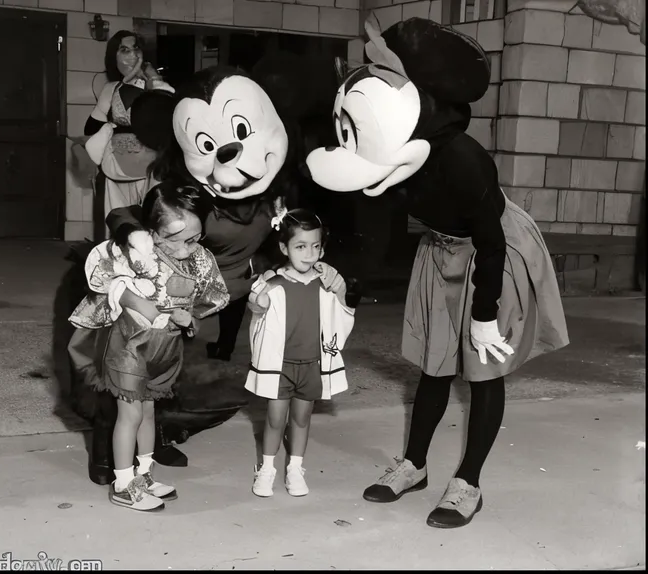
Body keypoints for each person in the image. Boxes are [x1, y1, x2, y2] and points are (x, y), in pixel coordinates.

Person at [306, 16, 569, 528]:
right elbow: (372, 224)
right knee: (433, 365)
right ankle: (415, 466)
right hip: (442, 248)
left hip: (492, 251)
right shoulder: (382, 147)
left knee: (483, 368)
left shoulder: (465, 162)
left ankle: (468, 481)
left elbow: (491, 245)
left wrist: (485, 315)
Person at [69, 181, 229, 511]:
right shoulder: (135, 255)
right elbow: (106, 282)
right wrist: (138, 303)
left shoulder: (197, 260)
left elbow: (203, 301)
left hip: (164, 349)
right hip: (129, 346)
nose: (188, 248)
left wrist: (188, 319)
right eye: (179, 240)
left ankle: (144, 475)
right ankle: (124, 484)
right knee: (129, 413)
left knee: (148, 412)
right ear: (153, 232)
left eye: (195, 239)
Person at [244, 208, 356, 497]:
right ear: (284, 247)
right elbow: (256, 309)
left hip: (312, 365)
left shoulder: (326, 281)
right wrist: (260, 295)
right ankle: (267, 468)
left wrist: (342, 289)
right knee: (274, 418)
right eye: (300, 246)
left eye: (316, 246)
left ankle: (295, 467)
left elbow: (344, 310)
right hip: (279, 366)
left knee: (302, 419)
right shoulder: (274, 282)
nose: (309, 254)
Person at [84, 30, 175, 239]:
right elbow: (90, 128)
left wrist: (154, 80)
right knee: (117, 224)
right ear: (113, 57)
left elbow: (170, 116)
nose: (132, 55)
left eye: (136, 49)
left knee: (150, 223)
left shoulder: (154, 85)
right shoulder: (111, 89)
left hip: (150, 169)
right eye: (124, 50)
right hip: (115, 167)